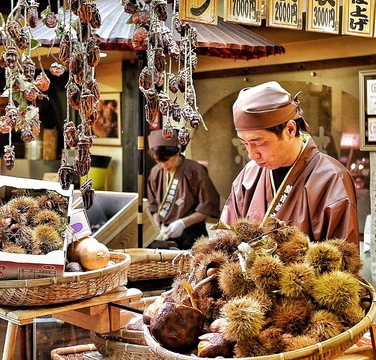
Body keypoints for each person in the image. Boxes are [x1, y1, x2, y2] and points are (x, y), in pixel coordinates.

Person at [220, 81, 359, 244]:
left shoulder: (332, 178)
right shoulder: (249, 174)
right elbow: (225, 237)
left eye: (259, 142)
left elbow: (342, 260)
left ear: (290, 130)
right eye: (244, 143)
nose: (252, 154)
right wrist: (213, 266)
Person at [147, 129, 220, 249]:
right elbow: (153, 206)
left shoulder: (195, 170)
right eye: (158, 161)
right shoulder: (155, 172)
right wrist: (156, 226)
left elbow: (208, 206)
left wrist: (182, 223)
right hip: (166, 233)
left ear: (178, 150)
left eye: (166, 160)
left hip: (192, 233)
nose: (163, 166)